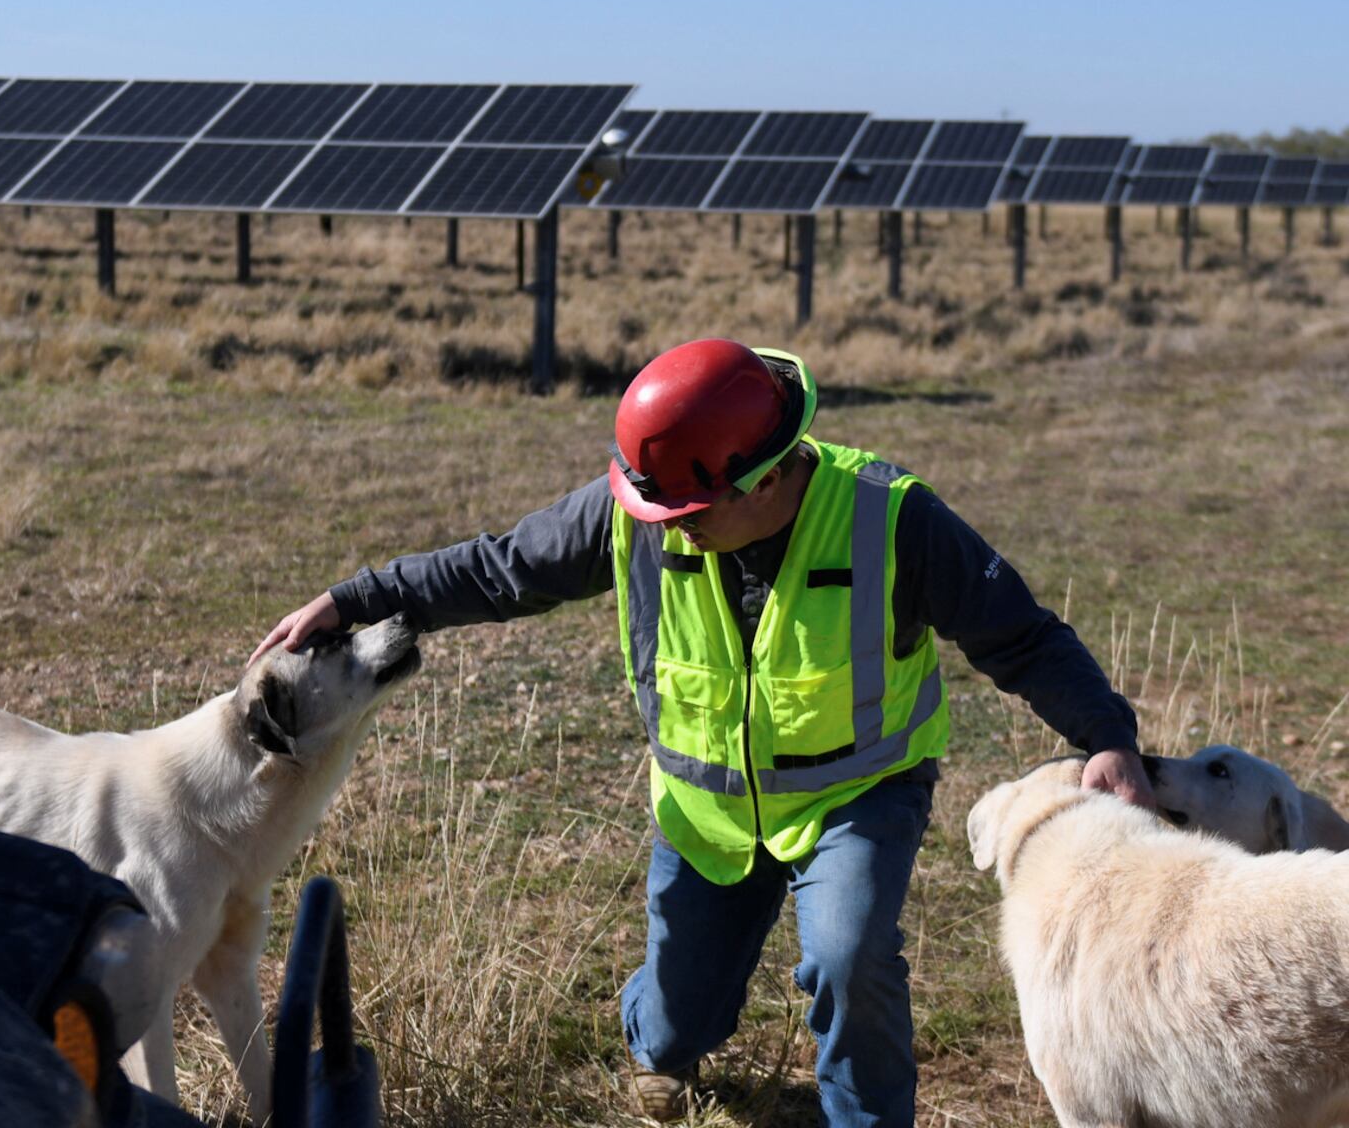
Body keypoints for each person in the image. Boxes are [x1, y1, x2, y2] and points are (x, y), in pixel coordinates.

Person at [251, 338, 1153, 1127]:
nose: (668, 531)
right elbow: (498, 570)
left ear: (766, 478)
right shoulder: (645, 504)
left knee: (848, 958)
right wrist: (356, 599)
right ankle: (662, 1051)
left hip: (857, 797)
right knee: (677, 1023)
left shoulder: (893, 518)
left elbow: (1021, 634)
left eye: (689, 514)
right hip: (705, 813)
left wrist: (1106, 733)